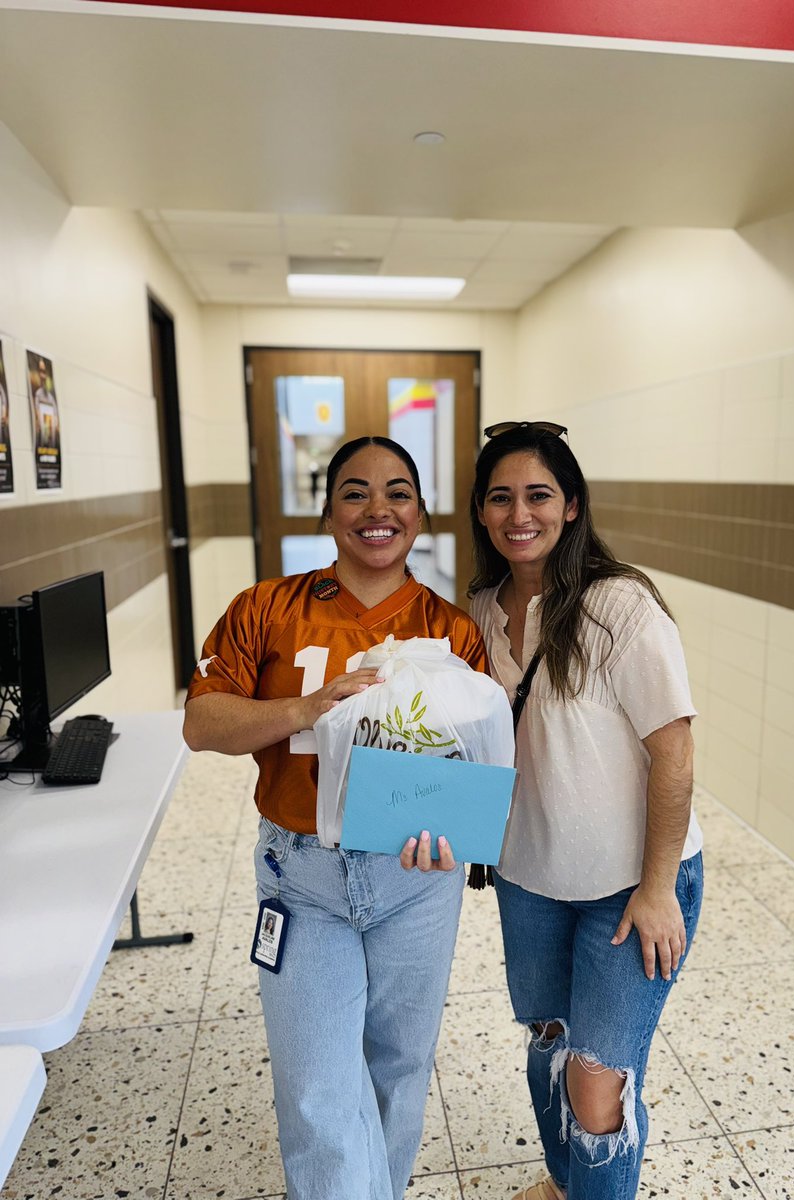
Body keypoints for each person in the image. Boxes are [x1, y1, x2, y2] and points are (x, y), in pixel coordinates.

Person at [183, 435, 487, 1200]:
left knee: (399, 1066)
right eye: (355, 492)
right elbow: (202, 722)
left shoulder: (453, 632)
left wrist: (454, 833)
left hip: (414, 882)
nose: (377, 509)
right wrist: (305, 708)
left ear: (420, 513)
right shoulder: (267, 608)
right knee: (318, 1089)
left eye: (397, 493)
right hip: (302, 878)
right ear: (327, 512)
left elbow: (477, 766)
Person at [468, 421, 703, 1200]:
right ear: (480, 511)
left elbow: (675, 752)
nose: (519, 514)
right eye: (500, 498)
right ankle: (567, 1183)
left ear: (572, 505)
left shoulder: (619, 607)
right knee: (550, 1044)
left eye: (538, 495)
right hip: (529, 876)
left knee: (597, 1083)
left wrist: (659, 887)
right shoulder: (476, 611)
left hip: (631, 886)